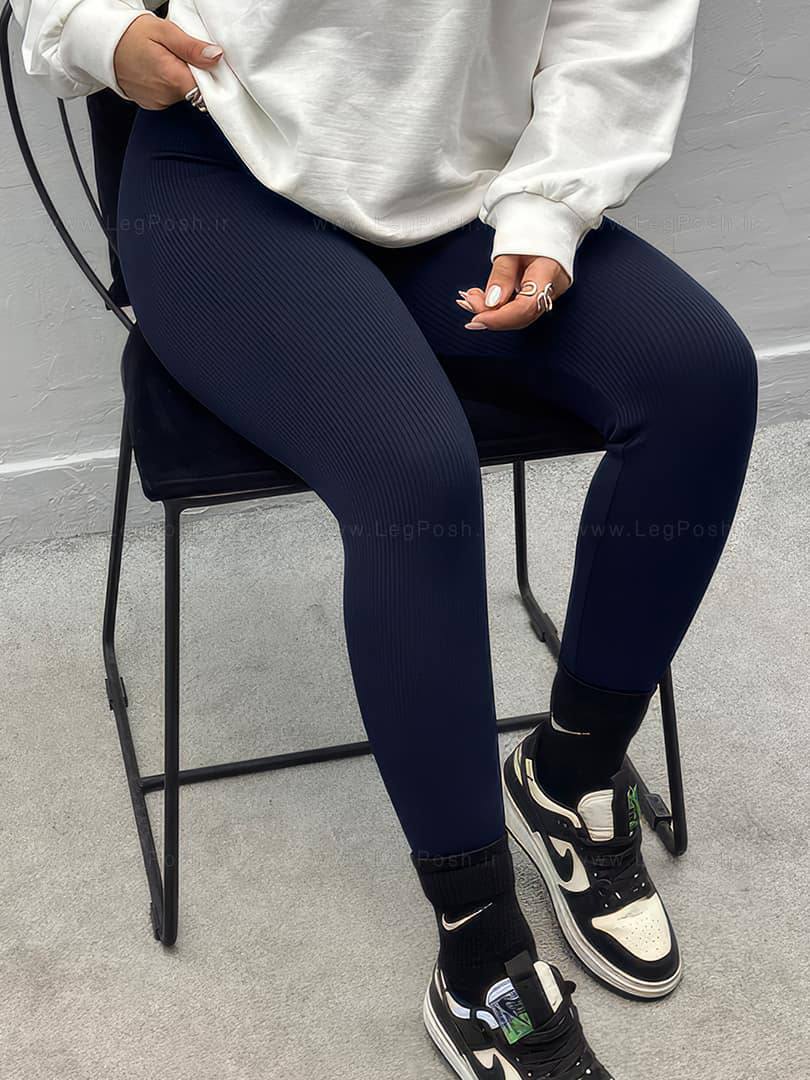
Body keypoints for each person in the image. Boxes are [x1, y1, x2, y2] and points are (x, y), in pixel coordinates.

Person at [12, 2, 758, 1076]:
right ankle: (479, 949)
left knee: (700, 380)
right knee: (414, 471)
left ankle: (570, 772)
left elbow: (618, 20)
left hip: (466, 184)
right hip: (224, 182)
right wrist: (88, 26)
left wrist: (549, 209)